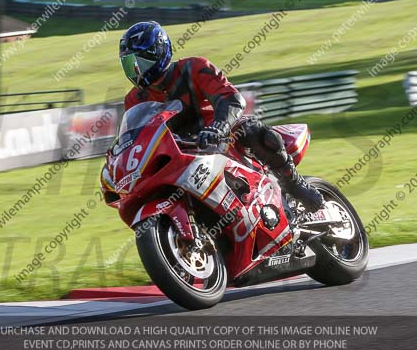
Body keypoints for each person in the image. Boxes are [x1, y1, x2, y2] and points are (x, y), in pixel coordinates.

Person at [118, 21, 323, 209]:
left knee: (254, 132)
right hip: (178, 156)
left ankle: (295, 185)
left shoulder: (194, 67)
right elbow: (134, 139)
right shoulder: (135, 99)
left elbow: (232, 99)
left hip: (221, 138)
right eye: (130, 65)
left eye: (140, 63)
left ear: (159, 52)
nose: (136, 71)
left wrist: (218, 127)